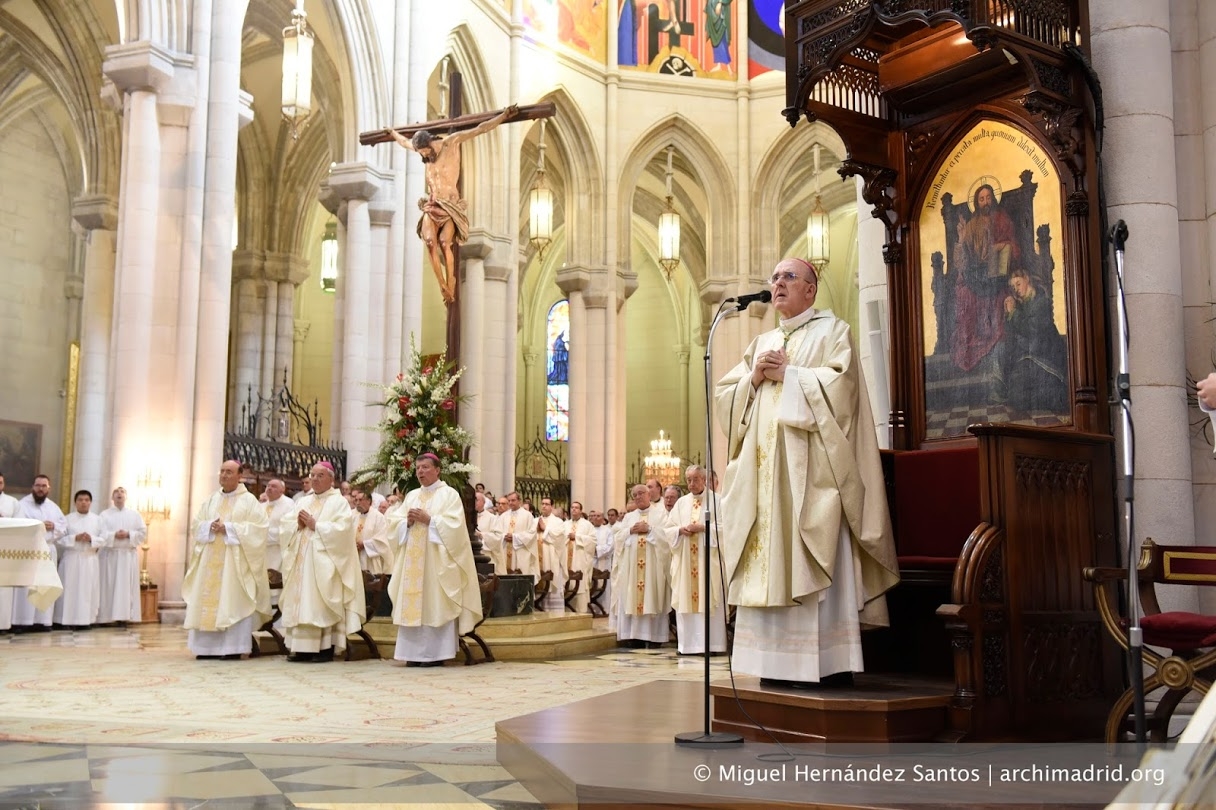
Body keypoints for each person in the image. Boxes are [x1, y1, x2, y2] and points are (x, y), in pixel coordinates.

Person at [715, 257, 899, 688]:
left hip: (812, 481)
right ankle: (771, 667)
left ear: (810, 289)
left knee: (810, 552)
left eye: (788, 277)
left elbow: (844, 389)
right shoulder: (760, 342)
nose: (778, 284)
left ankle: (823, 665)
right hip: (763, 485)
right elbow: (727, 398)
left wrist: (791, 376)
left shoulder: (833, 332)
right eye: (774, 277)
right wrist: (754, 380)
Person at [384, 105, 518, 303]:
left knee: (446, 243)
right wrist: (392, 133)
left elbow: (480, 129)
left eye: (424, 152)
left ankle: (452, 279)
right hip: (433, 203)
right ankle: (443, 286)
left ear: (430, 143)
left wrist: (504, 116)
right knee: (430, 243)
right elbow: (404, 142)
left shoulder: (451, 143)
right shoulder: (421, 150)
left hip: (450, 207)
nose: (423, 156)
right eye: (420, 153)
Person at [384, 453, 482, 666]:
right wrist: (406, 523)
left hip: (436, 564)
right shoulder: (411, 496)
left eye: (425, 467)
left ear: (437, 470)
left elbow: (456, 527)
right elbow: (394, 521)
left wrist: (431, 521)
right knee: (413, 604)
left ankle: (434, 655)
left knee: (434, 603)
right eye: (418, 468)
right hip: (413, 562)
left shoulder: (449, 495)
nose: (420, 471)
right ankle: (412, 655)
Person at [278, 461, 365, 663]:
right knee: (301, 602)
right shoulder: (303, 501)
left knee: (319, 602)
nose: (315, 479)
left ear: (331, 479)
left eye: (320, 476)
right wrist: (297, 525)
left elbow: (344, 531)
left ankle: (324, 648)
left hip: (324, 564)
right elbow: (286, 524)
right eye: (313, 475)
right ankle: (299, 648)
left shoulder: (339, 502)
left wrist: (316, 525)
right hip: (302, 562)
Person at [183, 460, 269, 659]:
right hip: (210, 561)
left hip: (234, 566)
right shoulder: (211, 499)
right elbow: (196, 526)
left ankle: (232, 648)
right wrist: (208, 527)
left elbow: (259, 529)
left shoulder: (249, 501)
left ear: (240, 476)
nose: (224, 475)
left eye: (229, 472)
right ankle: (206, 649)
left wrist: (229, 528)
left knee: (232, 601)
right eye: (222, 471)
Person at [951, 184, 1020, 373]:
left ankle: (996, 342)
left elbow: (1013, 247)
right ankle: (972, 342)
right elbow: (961, 263)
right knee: (964, 295)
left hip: (999, 272)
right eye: (981, 199)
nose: (985, 202)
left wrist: (1001, 248)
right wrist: (961, 238)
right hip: (977, 273)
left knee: (999, 296)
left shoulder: (1002, 219)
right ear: (976, 202)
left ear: (993, 199)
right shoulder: (971, 225)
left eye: (988, 197)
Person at [669, 466, 727, 654]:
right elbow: (668, 528)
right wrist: (679, 530)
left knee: (709, 599)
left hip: (708, 562)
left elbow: (727, 529)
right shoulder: (681, 503)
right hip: (686, 562)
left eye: (695, 479)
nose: (691, 483)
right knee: (687, 599)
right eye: (688, 480)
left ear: (704, 479)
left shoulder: (717, 501)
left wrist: (704, 528)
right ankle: (687, 646)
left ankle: (712, 645)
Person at [611, 484, 673, 647]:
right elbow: (618, 539)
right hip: (632, 568)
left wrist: (650, 530)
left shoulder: (661, 515)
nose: (637, 497)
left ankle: (654, 637)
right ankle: (634, 636)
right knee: (632, 596)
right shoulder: (629, 517)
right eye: (634, 495)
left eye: (640, 493)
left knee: (652, 596)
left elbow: (668, 538)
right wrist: (630, 531)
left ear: (649, 495)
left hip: (653, 568)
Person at [999, 269, 1068, 413]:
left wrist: (1013, 312)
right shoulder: (1022, 304)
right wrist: (1008, 313)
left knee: (1022, 394)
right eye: (1013, 287)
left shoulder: (1041, 301)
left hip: (1046, 358)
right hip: (1030, 356)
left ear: (1027, 280)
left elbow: (1031, 329)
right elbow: (1012, 333)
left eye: (1018, 284)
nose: (1016, 289)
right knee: (1016, 394)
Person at [11, 474, 66, 631]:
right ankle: (22, 621)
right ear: (32, 487)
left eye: (43, 486)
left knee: (45, 585)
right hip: (28, 551)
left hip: (47, 551)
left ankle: (42, 621)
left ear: (49, 488)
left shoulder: (53, 507)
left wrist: (53, 526)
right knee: (27, 587)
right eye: (37, 486)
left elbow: (63, 527)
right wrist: (40, 525)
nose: (40, 489)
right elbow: (18, 525)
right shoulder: (22, 505)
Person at [54, 490, 103, 627]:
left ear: (90, 502)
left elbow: (104, 539)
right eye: (80, 500)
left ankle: (86, 620)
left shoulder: (98, 520)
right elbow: (59, 539)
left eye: (86, 500)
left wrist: (91, 539)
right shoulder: (67, 519)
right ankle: (66, 620)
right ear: (75, 502)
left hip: (89, 559)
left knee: (87, 590)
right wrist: (74, 538)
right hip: (71, 559)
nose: (83, 502)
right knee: (69, 589)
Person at [98, 487, 147, 625]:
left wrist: (128, 534)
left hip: (127, 556)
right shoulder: (104, 515)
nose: (119, 494)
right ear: (112, 498)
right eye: (116, 492)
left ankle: (123, 617)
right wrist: (114, 535)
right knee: (108, 586)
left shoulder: (134, 514)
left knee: (125, 588)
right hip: (109, 556)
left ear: (126, 497)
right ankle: (106, 617)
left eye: (122, 492)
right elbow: (100, 533)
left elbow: (143, 533)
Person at [353, 487, 394, 575]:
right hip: (354, 558)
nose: (357, 503)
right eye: (356, 500)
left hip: (370, 560)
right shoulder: (353, 516)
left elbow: (383, 540)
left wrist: (365, 544)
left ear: (369, 501)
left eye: (360, 500)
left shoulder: (378, 517)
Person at [0, 471, 20, 632]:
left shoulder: (12, 502)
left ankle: (3, 624)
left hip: (5, 551)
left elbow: (20, 524)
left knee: (4, 591)